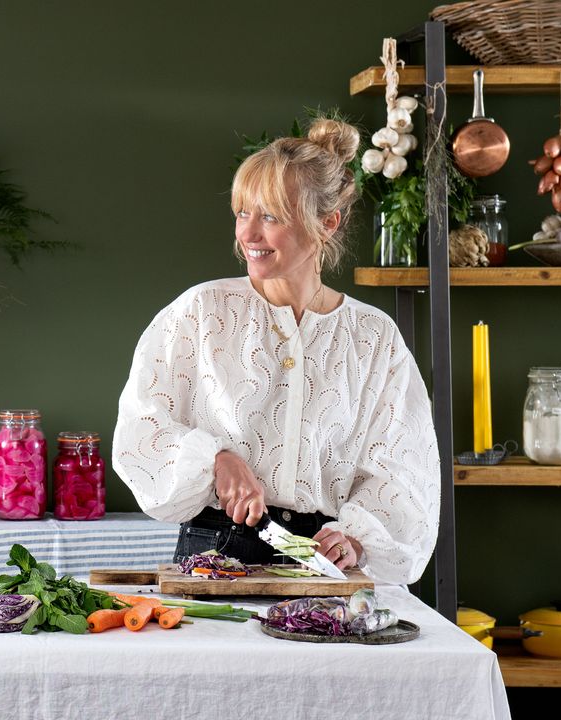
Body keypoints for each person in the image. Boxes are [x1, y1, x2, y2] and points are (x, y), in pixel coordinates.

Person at [111, 118, 440, 585]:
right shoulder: (203, 311)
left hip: (322, 566)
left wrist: (357, 539)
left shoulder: (374, 337)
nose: (249, 234)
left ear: (327, 223)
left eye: (271, 216)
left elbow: (402, 467)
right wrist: (216, 460)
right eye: (243, 212)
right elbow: (141, 428)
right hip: (213, 556)